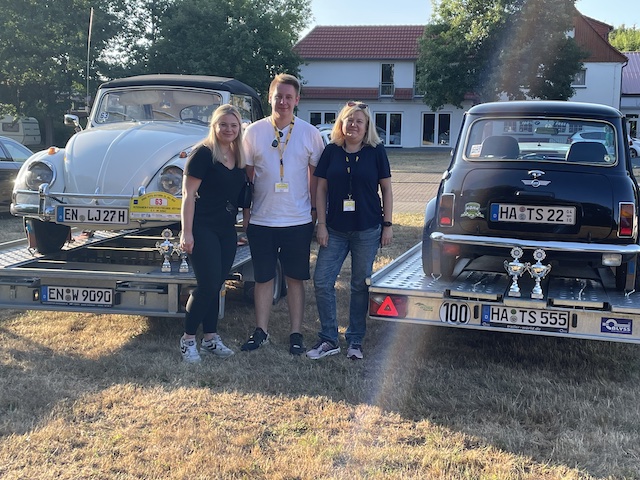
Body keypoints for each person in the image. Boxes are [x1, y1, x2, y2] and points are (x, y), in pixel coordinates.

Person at [241, 73, 324, 355]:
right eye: (279, 96)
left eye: (289, 97)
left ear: (297, 100)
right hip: (262, 220)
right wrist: (248, 214)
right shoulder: (253, 132)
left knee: (295, 278)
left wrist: (314, 211)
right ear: (270, 97)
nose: (283, 102)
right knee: (262, 278)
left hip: (297, 220)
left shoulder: (310, 133)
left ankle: (296, 333)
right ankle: (261, 331)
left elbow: (317, 177)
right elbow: (248, 175)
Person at [306, 101, 393, 361]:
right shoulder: (331, 151)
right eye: (349, 120)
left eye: (359, 121)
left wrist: (387, 225)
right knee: (322, 280)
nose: (353, 124)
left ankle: (355, 340)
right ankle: (329, 338)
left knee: (359, 284)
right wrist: (320, 224)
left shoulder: (376, 151)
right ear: (341, 123)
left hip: (367, 228)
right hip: (334, 229)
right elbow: (320, 189)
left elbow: (386, 190)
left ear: (367, 127)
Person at [179, 104, 251, 363]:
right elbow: (187, 196)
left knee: (217, 285)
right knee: (207, 285)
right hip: (202, 227)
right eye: (224, 125)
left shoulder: (239, 155)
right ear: (214, 126)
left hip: (226, 230)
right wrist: (186, 233)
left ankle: (210, 338)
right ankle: (188, 339)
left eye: (234, 125)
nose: (229, 130)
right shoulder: (202, 154)